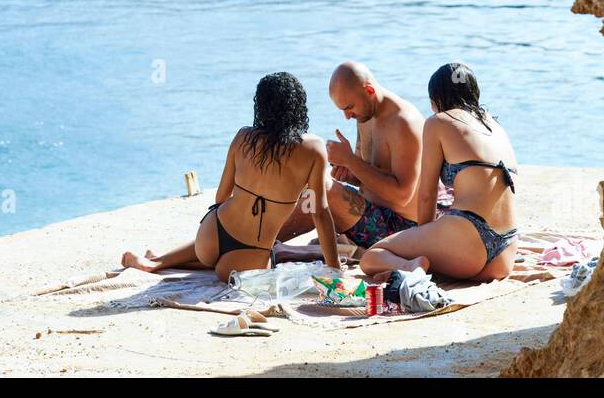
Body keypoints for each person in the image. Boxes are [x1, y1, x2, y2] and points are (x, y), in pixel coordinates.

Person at [121, 72, 340, 280]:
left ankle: (157, 262)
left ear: (261, 106)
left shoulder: (244, 137)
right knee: (255, 260)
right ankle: (158, 262)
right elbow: (319, 214)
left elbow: (221, 197)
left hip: (211, 234)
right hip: (249, 255)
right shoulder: (314, 149)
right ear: (299, 107)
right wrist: (335, 271)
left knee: (213, 254)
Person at [359, 63, 520, 282]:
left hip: (467, 245)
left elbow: (427, 194)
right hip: (504, 255)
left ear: (436, 98)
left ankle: (411, 265)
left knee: (372, 257)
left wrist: (422, 238)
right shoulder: (497, 126)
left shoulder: (438, 122)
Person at [275, 61, 424, 252]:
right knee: (309, 180)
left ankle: (253, 244)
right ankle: (255, 236)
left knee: (323, 191)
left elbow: (402, 195)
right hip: (370, 211)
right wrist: (349, 174)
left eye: (350, 107)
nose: (347, 116)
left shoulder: (404, 123)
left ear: (369, 91)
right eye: (343, 110)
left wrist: (350, 161)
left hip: (399, 227)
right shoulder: (364, 115)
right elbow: (369, 174)